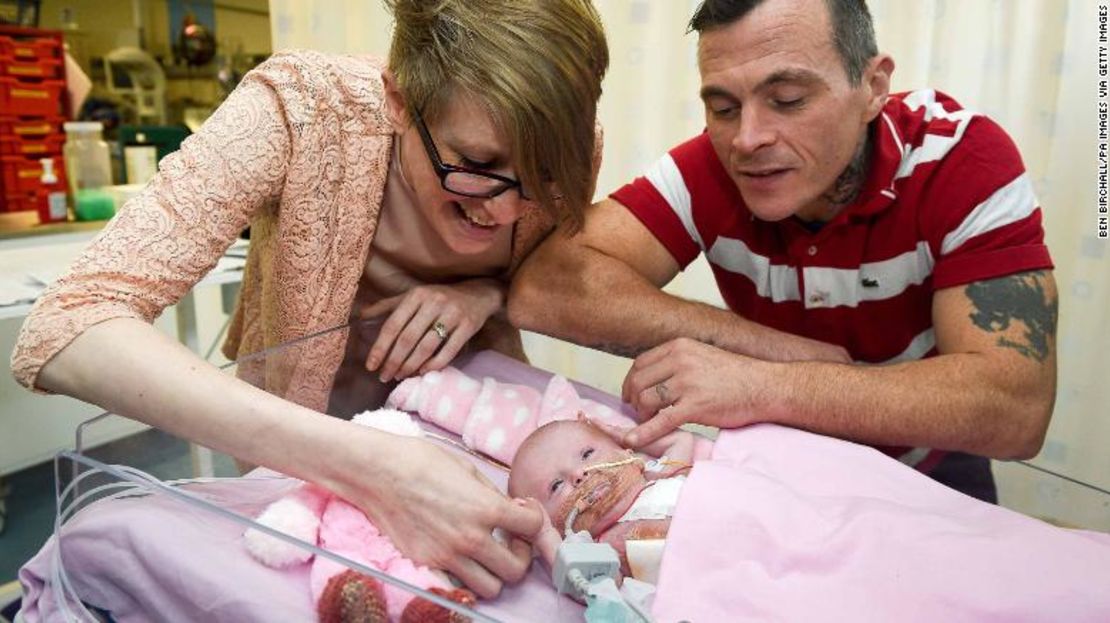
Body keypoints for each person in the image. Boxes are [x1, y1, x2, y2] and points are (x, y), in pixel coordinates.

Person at [10, 0, 608, 599]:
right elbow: (66, 325)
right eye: (477, 165)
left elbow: (548, 265)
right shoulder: (302, 109)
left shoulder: (563, 143)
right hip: (298, 438)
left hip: (463, 436)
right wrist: (368, 466)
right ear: (398, 101)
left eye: (544, 175)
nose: (506, 211)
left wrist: (487, 294)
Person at [508, 0, 1057, 503]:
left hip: (930, 468)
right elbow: (548, 285)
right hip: (786, 466)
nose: (747, 139)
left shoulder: (962, 158)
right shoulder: (714, 167)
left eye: (787, 100)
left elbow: (1015, 407)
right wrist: (776, 351)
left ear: (873, 86)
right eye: (723, 108)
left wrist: (761, 383)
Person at [507, 419, 713, 583]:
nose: (579, 474)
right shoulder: (599, 551)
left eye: (587, 454)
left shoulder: (659, 474)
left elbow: (680, 439)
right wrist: (545, 536)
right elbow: (584, 583)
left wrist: (625, 436)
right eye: (556, 486)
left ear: (625, 452)